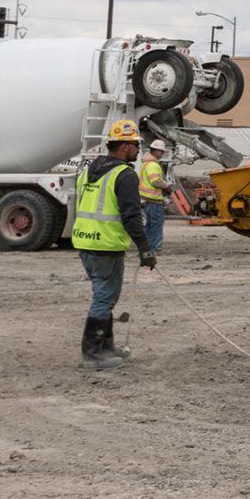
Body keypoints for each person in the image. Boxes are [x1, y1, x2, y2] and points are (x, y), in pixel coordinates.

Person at [73, 117, 155, 369]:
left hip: (85, 241)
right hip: (106, 245)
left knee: (105, 296)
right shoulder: (124, 175)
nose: (138, 149)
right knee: (104, 298)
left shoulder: (90, 171)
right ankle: (92, 354)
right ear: (122, 147)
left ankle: (106, 347)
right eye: (134, 145)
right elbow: (131, 216)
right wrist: (145, 249)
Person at [137, 140, 170, 254]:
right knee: (155, 226)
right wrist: (167, 185)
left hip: (145, 200)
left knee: (148, 226)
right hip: (153, 200)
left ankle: (146, 249)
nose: (162, 153)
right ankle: (155, 248)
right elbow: (155, 181)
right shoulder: (153, 165)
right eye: (161, 151)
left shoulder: (145, 163)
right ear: (156, 151)